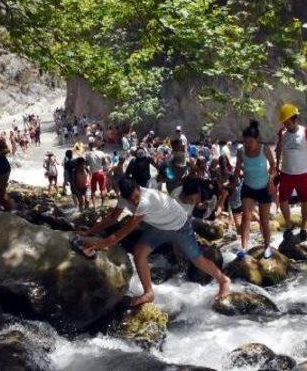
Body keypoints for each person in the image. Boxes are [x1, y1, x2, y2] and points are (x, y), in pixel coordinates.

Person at [83, 177, 231, 306]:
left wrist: (100, 244)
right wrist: (89, 233)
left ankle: (223, 280)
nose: (135, 202)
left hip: (180, 227)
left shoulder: (146, 200)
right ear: (124, 196)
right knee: (139, 254)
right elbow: (111, 218)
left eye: (136, 197)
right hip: (160, 227)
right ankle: (148, 293)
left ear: (138, 188)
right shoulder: (124, 198)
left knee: (197, 259)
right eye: (131, 200)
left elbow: (123, 232)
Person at [275, 103, 307, 240]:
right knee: (282, 200)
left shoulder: (306, 132)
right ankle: (288, 226)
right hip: (286, 173)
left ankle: (304, 227)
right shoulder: (283, 134)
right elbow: (278, 151)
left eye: (287, 122)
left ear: (295, 120)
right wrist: (276, 166)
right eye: (284, 123)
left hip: (304, 173)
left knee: (305, 201)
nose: (285, 125)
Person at [234, 120, 276, 259]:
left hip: (264, 187)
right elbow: (238, 168)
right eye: (245, 141)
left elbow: (273, 166)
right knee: (246, 216)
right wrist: (235, 179)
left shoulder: (264, 149)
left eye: (250, 141)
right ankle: (244, 248)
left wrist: (271, 181)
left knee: (264, 219)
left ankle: (267, 246)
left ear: (256, 140)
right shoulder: (241, 151)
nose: (248, 144)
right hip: (248, 188)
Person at [85, 142, 108, 207]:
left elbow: (86, 164)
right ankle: (102, 205)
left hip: (93, 174)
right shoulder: (101, 153)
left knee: (93, 190)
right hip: (101, 172)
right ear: (96, 146)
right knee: (102, 189)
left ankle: (94, 206)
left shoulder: (88, 154)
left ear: (90, 147)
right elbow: (105, 163)